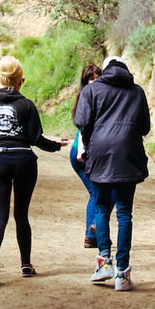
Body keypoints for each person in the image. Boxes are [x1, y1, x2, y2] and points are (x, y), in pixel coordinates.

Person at [0, 56, 68, 285]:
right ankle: (26, 265)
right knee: (21, 215)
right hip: (24, 161)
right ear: (20, 81)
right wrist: (57, 145)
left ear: (1, 79)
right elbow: (35, 138)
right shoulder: (26, 104)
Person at [74, 56, 150, 291]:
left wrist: (90, 140)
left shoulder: (92, 90)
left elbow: (81, 121)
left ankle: (104, 262)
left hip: (100, 153)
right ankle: (123, 273)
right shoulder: (137, 91)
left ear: (105, 70)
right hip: (128, 155)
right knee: (125, 213)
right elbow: (145, 127)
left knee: (101, 208)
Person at [69, 64, 103, 248]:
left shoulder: (85, 96)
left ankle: (93, 235)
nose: (95, 82)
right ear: (86, 81)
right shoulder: (89, 97)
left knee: (98, 193)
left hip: (86, 151)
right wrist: (82, 150)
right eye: (91, 78)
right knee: (99, 193)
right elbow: (83, 127)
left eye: (98, 78)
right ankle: (94, 231)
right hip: (82, 152)